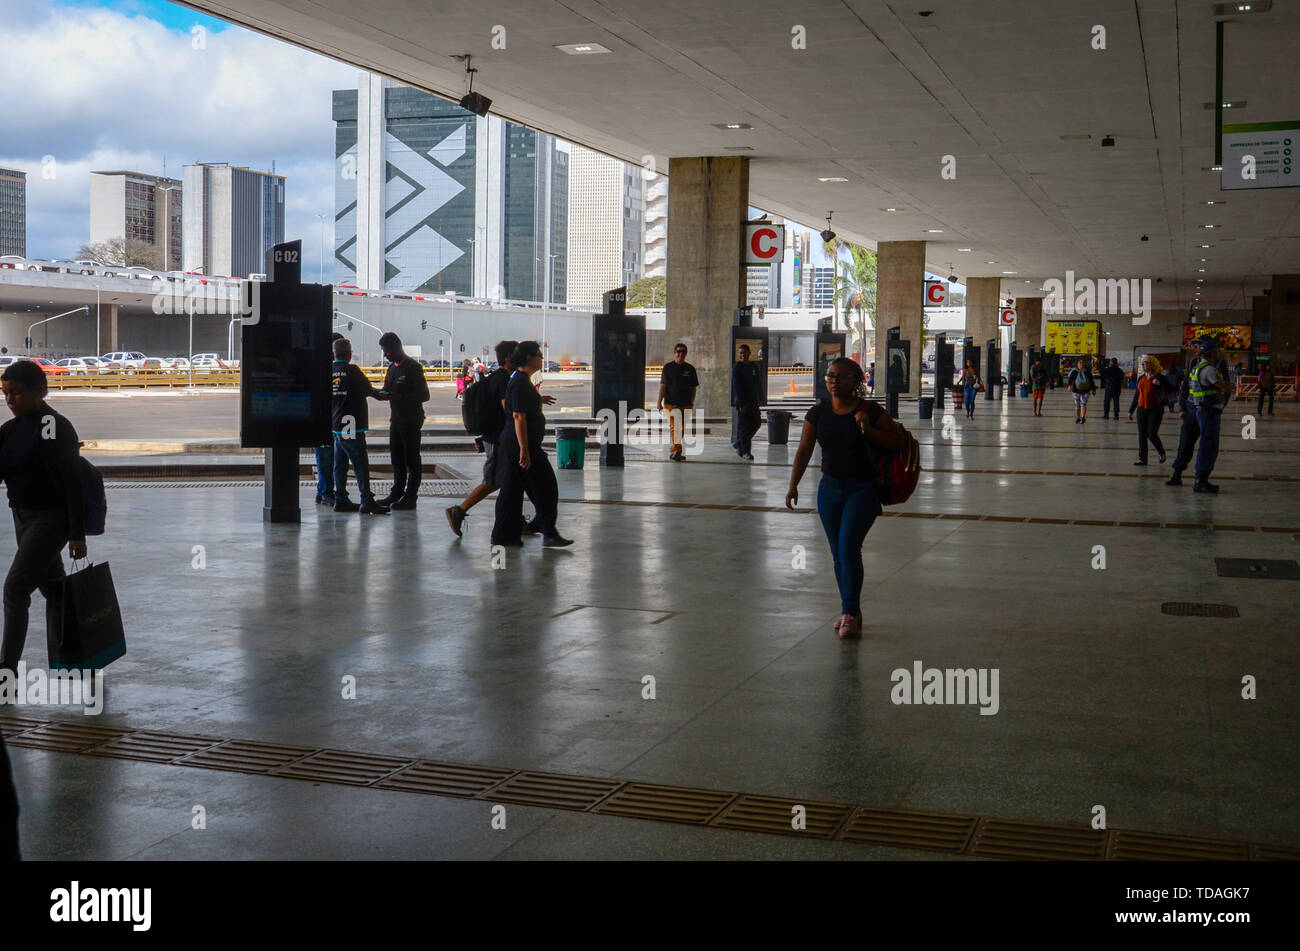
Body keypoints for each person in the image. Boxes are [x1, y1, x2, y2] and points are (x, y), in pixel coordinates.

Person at [785, 357, 904, 639]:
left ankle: (849, 613)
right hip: (829, 489)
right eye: (830, 376)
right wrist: (793, 485)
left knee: (849, 548)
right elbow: (804, 450)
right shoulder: (819, 412)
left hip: (862, 489)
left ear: (856, 381)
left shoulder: (870, 411)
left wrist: (868, 428)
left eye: (841, 376)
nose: (834, 380)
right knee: (838, 553)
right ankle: (851, 608)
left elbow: (897, 440)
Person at [0, 359, 86, 675]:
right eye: (5, 394)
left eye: (17, 393)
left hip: (51, 519)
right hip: (22, 517)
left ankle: (5, 671)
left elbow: (71, 482)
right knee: (54, 590)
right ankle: (85, 654)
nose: (9, 401)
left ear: (40, 392)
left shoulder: (55, 427)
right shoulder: (8, 431)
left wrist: (77, 533)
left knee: (15, 588)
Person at [492, 341, 572, 548]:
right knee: (546, 488)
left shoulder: (522, 380)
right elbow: (518, 416)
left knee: (511, 492)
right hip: (521, 445)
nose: (542, 358)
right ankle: (546, 530)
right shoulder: (519, 382)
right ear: (528, 357)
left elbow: (522, 408)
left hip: (515, 444)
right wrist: (525, 449)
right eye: (538, 354)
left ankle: (505, 536)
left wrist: (538, 400)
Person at [446, 340, 516, 536]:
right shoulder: (503, 379)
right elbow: (509, 411)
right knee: (492, 481)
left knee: (511, 481)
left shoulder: (500, 377)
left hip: (498, 438)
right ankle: (458, 511)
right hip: (497, 439)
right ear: (509, 358)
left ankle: (515, 520)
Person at [330, 338, 388, 515]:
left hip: (336, 424)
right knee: (359, 462)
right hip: (351, 424)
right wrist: (384, 395)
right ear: (349, 354)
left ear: (334, 354)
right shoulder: (353, 370)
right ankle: (366, 500)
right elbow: (367, 390)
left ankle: (340, 499)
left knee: (339, 463)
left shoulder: (328, 371)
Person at [375, 332, 429, 510]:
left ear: (396, 348)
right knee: (396, 458)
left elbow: (424, 395)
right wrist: (381, 395)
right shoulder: (392, 369)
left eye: (387, 351)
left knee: (412, 459)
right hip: (396, 420)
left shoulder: (413, 367)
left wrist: (400, 396)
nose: (385, 355)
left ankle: (410, 496)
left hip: (411, 420)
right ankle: (396, 492)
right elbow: (386, 390)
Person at [1186, 336, 1231, 493]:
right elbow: (1225, 388)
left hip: (1204, 411)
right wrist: (1229, 385)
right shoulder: (1209, 370)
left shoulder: (1200, 367)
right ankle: (1201, 480)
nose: (1219, 353)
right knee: (1208, 445)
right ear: (1212, 353)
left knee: (1207, 444)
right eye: (1217, 351)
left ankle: (1202, 478)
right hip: (1208, 412)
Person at [314, 331, 345, 506]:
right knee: (327, 458)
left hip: (328, 419)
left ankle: (323, 491)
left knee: (327, 457)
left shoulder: (326, 368)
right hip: (327, 421)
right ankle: (326, 492)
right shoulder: (327, 369)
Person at [657, 343, 699, 462]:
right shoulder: (668, 368)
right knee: (674, 427)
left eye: (683, 352)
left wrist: (691, 402)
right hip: (671, 403)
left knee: (681, 428)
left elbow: (693, 387)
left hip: (685, 403)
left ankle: (676, 449)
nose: (680, 354)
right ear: (674, 353)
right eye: (678, 351)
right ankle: (676, 451)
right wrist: (659, 402)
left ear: (686, 354)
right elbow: (663, 386)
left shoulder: (690, 369)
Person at [1127, 356, 1168, 466]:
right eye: (1142, 363)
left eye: (1145, 363)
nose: (1143, 365)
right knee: (1142, 435)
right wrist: (1131, 410)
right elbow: (1137, 395)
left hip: (1155, 410)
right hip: (1141, 410)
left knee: (1152, 434)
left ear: (1152, 364)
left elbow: (1172, 389)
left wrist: (1159, 385)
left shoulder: (1160, 377)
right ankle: (1143, 459)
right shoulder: (1141, 378)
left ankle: (1161, 452)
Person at [730, 343, 762, 460]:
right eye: (741, 353)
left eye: (745, 352)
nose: (743, 355)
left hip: (753, 401)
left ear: (749, 353)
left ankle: (739, 442)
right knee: (744, 427)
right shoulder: (737, 368)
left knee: (756, 423)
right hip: (743, 403)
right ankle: (745, 452)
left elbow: (758, 383)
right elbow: (737, 387)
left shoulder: (753, 366)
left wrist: (760, 397)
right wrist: (741, 404)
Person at [1067, 357, 1095, 424]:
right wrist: (1069, 385)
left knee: (1083, 404)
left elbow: (1091, 381)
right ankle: (1078, 417)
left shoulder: (1087, 371)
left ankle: (1083, 418)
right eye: (1080, 362)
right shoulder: (1074, 371)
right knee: (1077, 405)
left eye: (1082, 362)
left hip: (1085, 390)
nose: (1081, 364)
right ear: (1077, 364)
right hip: (1076, 391)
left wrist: (1094, 389)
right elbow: (1070, 379)